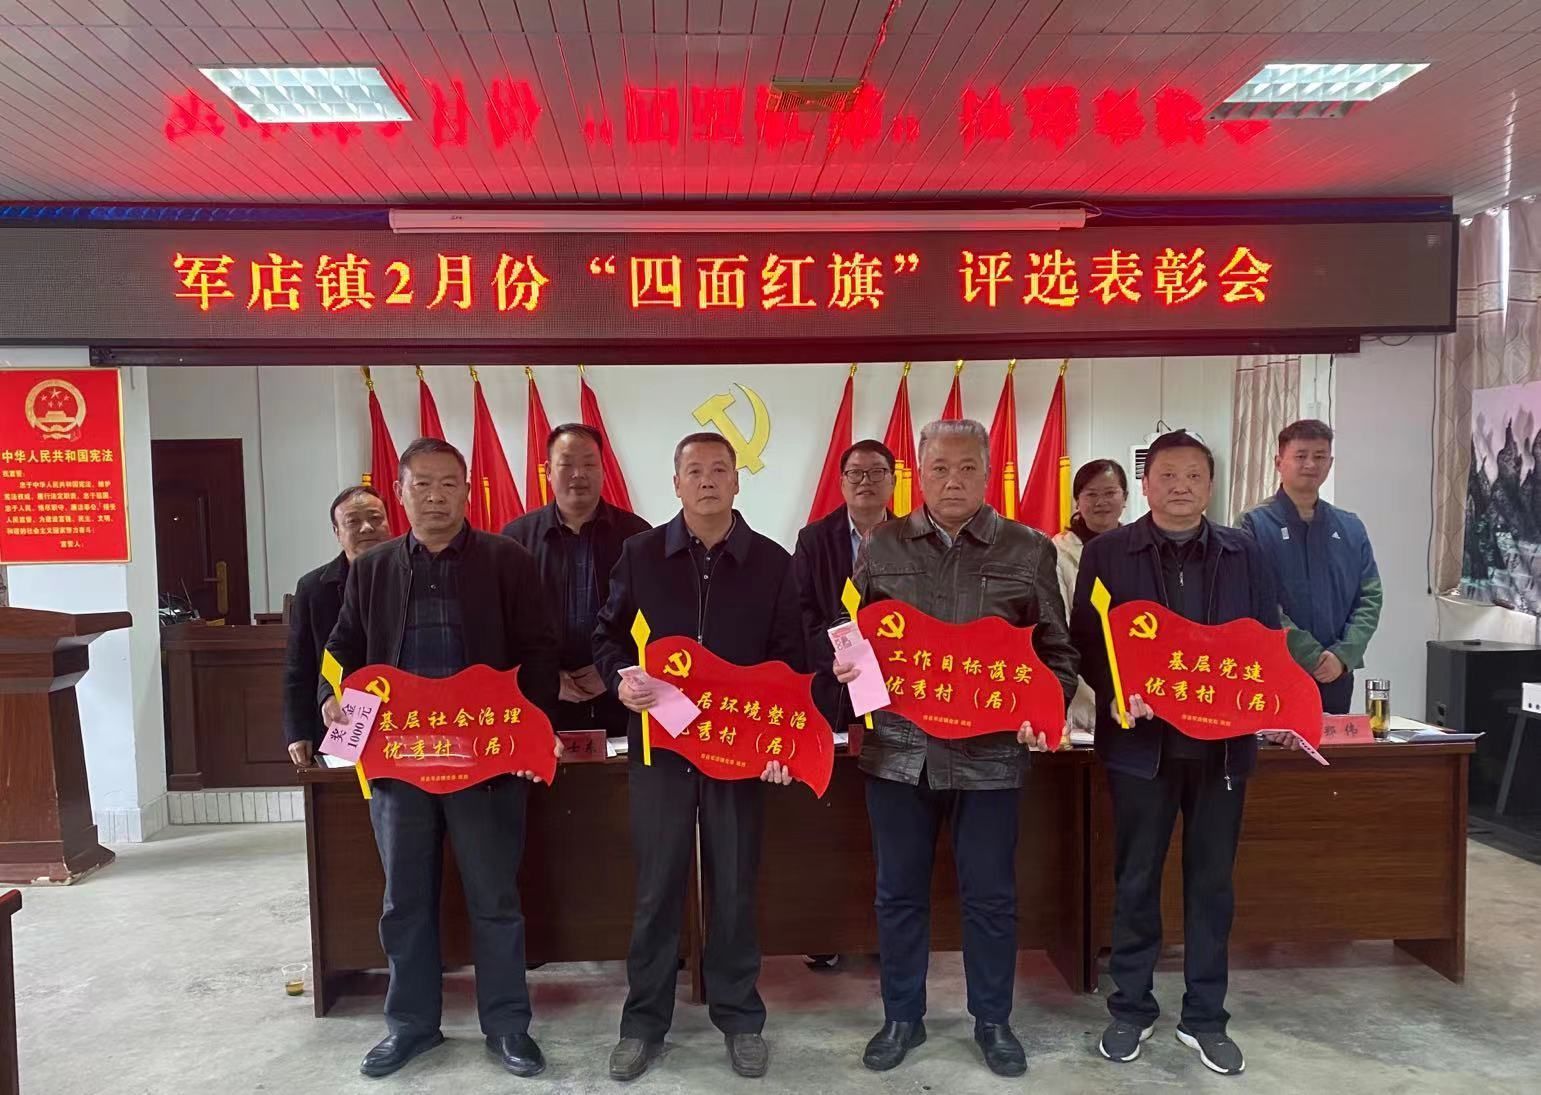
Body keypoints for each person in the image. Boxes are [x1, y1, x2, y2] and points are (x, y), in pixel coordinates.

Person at [834, 419, 1078, 1078]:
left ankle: (993, 1020)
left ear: (988, 473)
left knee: (991, 896)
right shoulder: (882, 545)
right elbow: (852, 635)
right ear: (919, 473)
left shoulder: (1027, 549)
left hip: (990, 756)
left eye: (967, 468)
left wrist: (1042, 712)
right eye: (939, 468)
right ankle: (901, 1016)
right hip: (899, 753)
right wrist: (848, 669)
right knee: (898, 895)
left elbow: (1056, 653)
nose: (952, 481)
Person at [319, 437, 561, 1081]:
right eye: (421, 484)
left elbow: (539, 651)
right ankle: (411, 1026)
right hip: (401, 763)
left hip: (485, 763)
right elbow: (341, 649)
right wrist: (330, 696)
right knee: (404, 901)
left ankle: (507, 1026)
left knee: (495, 899)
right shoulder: (373, 569)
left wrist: (528, 734)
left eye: (448, 484)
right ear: (400, 494)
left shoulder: (507, 561)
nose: (434, 497)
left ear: (468, 491)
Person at [592, 432, 805, 1083]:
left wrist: (778, 742)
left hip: (739, 753)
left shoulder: (771, 562)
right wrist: (622, 679)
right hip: (660, 745)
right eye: (694, 471)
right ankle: (643, 1023)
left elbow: (789, 658)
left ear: (737, 481)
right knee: (657, 888)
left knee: (733, 885)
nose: (707, 481)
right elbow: (607, 634)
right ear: (676, 482)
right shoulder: (640, 554)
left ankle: (740, 1018)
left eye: (718, 470)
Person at [1069, 429, 1281, 1077]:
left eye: (1193, 475)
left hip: (1222, 748)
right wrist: (1115, 692)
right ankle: (1130, 1008)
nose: (1180, 486)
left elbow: (1263, 638)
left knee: (1211, 883)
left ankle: (1204, 1016)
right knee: (1135, 877)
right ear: (1146, 484)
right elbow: (1086, 637)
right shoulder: (1108, 553)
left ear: (1210, 485)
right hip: (1141, 746)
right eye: (1167, 475)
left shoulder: (1244, 551)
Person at [503, 423, 650, 735]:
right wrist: (548, 679)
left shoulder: (637, 536)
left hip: (621, 699)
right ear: (548, 471)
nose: (578, 474)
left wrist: (610, 671)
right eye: (567, 464)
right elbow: (503, 628)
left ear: (603, 470)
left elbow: (655, 620)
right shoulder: (515, 540)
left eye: (589, 464)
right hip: (543, 702)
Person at [1239, 419, 1382, 715]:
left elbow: (1370, 597)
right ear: (1279, 462)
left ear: (1330, 463)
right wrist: (1309, 654)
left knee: (1331, 743)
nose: (1310, 464)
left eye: (1319, 456)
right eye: (1300, 455)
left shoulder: (1350, 526)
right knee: (1275, 745)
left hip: (1336, 672)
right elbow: (1253, 600)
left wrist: (1344, 655)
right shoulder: (1253, 523)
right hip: (1274, 669)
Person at [792, 438, 896, 733]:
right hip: (833, 685)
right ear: (841, 482)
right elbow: (800, 611)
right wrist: (832, 657)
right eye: (855, 473)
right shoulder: (813, 540)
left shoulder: (911, 540)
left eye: (876, 472)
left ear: (893, 481)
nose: (865, 481)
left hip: (896, 683)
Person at [282, 484, 388, 767]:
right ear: (337, 532)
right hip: (339, 719)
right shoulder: (313, 588)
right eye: (353, 521)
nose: (367, 528)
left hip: (400, 717)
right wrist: (298, 730)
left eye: (376, 518)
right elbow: (299, 665)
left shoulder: (411, 576)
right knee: (340, 793)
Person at [1052, 459, 1129, 733]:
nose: (1101, 502)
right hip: (1080, 682)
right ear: (1077, 500)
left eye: (1110, 493)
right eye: (1091, 494)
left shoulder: (1140, 549)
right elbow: (1058, 625)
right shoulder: (1057, 552)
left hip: (1134, 678)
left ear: (1125, 497)